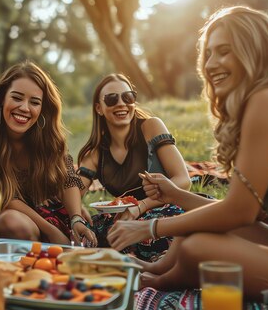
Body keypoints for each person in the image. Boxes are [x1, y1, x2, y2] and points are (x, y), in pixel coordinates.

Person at [107, 6, 268, 308]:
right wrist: (176, 195)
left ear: (255, 51)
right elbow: (245, 211)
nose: (211, 64)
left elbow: (238, 213)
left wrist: (147, 227)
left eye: (224, 51)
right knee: (195, 227)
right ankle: (158, 271)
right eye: (208, 54)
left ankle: (162, 282)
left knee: (198, 246)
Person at [0, 60, 98, 246]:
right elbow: (1, 196)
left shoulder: (50, 135)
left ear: (42, 108)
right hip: (13, 216)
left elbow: (68, 179)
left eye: (34, 102)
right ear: (2, 98)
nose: (25, 108)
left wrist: (76, 216)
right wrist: (51, 232)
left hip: (49, 208)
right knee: (14, 223)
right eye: (17, 98)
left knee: (103, 227)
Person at [77, 73, 191, 261]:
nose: (121, 103)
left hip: (165, 208)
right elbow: (74, 190)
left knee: (156, 230)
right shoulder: (96, 153)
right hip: (125, 218)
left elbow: (183, 180)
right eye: (112, 99)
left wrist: (139, 207)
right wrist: (76, 212)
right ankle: (143, 259)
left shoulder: (150, 127)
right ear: (99, 108)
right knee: (85, 232)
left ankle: (149, 258)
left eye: (127, 97)